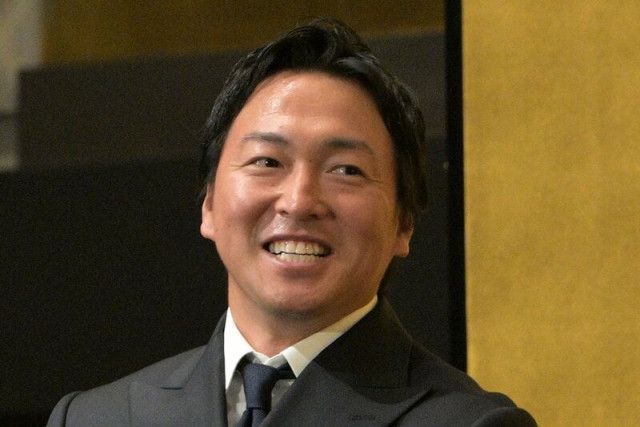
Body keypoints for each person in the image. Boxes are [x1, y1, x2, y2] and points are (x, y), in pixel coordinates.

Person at [47, 18, 536, 426]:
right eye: (267, 161)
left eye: (346, 170)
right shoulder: (94, 418)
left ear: (404, 223)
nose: (299, 202)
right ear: (209, 203)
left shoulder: (471, 422)